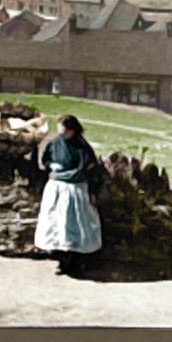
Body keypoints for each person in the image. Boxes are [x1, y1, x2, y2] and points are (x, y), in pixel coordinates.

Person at [34, 114, 103, 276]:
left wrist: (92, 192)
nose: (61, 134)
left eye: (64, 131)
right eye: (59, 130)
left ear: (72, 130)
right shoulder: (54, 143)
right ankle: (61, 262)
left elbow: (91, 171)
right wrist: (52, 167)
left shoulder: (82, 148)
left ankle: (75, 262)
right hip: (56, 189)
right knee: (57, 227)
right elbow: (45, 162)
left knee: (75, 228)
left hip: (75, 190)